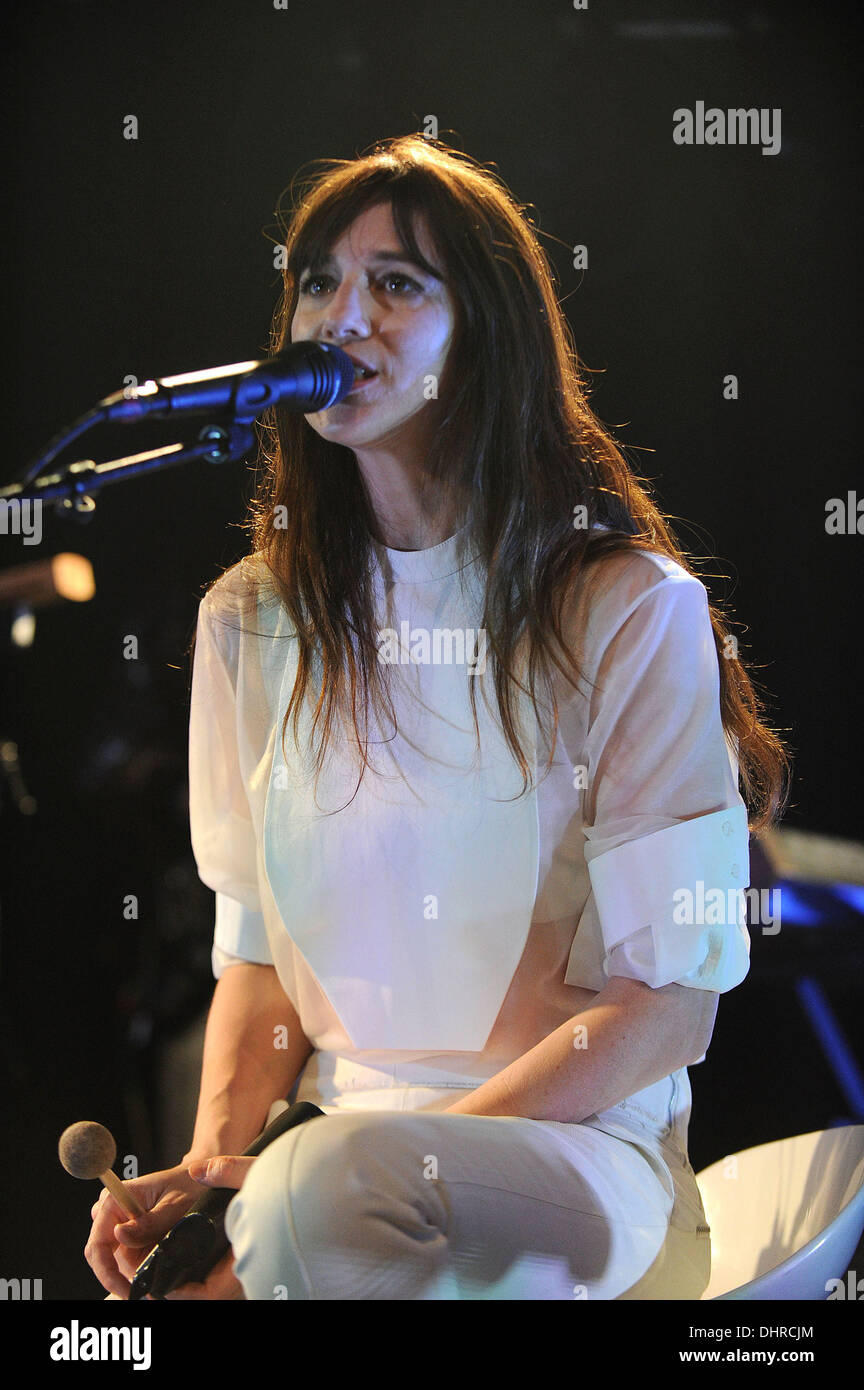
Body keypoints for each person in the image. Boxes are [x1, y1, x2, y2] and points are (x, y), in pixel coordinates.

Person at [85, 134, 790, 1301]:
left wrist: (362, 1169)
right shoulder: (250, 622)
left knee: (322, 1203)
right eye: (318, 281)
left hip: (576, 1163)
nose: (340, 314)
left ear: (488, 334)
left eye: (396, 283)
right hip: (316, 1177)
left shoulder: (628, 611)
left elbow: (664, 1013)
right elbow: (257, 971)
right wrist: (212, 1176)